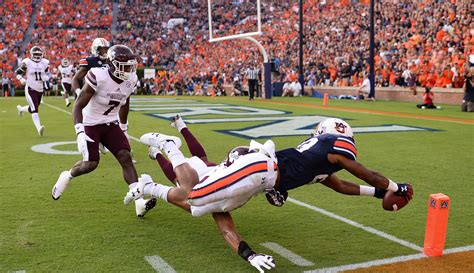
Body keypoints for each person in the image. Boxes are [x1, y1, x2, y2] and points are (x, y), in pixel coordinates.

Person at [125, 117, 413, 272]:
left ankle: (149, 186)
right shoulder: (330, 148)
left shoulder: (320, 163)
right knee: (193, 197)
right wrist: (394, 187)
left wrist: (248, 255)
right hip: (258, 170)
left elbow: (342, 186)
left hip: (259, 180)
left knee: (201, 208)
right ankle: (169, 146)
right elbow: (363, 172)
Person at [52, 45, 156, 217]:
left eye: (130, 65)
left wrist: (123, 127)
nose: (129, 69)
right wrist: (79, 131)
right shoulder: (98, 76)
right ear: (112, 64)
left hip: (110, 122)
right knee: (91, 164)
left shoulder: (131, 80)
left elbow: (125, 103)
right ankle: (67, 175)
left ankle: (139, 202)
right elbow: (78, 105)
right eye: (125, 66)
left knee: (125, 156)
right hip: (90, 122)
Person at [15, 46, 49, 136]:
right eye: (36, 54)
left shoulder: (45, 63)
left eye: (39, 54)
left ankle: (21, 109)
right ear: (31, 54)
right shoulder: (27, 62)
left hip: (40, 89)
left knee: (33, 107)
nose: (37, 56)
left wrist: (45, 77)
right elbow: (17, 72)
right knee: (34, 109)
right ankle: (39, 128)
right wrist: (21, 78)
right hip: (30, 87)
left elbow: (44, 72)